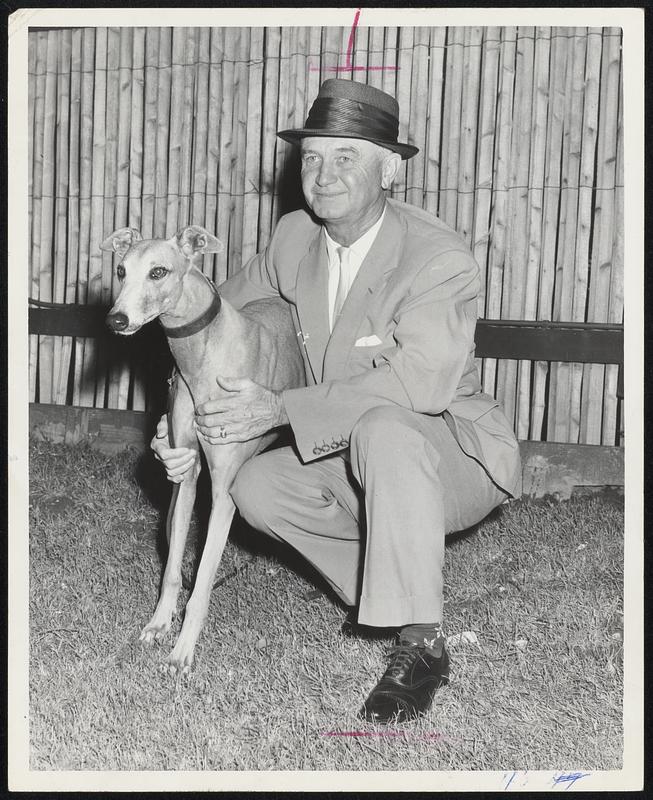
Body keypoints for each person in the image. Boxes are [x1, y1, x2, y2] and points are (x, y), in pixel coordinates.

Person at [152, 78, 521, 723]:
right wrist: (177, 419)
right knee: (255, 484)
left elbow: (420, 385)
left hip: (449, 453)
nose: (323, 175)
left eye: (346, 156)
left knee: (383, 425)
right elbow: (213, 327)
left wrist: (283, 410)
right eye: (312, 157)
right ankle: (383, 589)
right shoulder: (293, 238)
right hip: (345, 448)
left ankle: (420, 641)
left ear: (391, 170)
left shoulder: (438, 257)